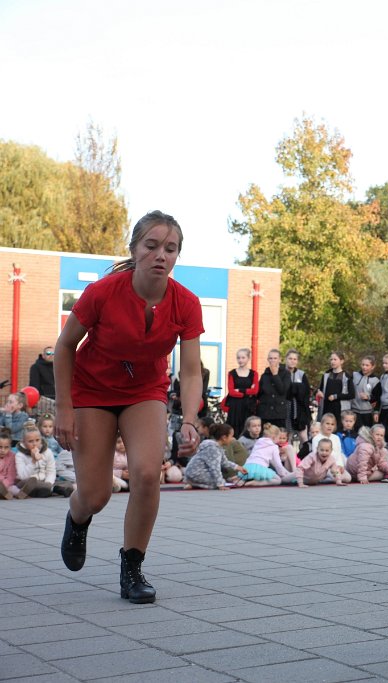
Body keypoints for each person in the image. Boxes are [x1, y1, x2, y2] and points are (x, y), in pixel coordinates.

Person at [53, 210, 203, 605]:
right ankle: (78, 517)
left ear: (176, 256)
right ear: (134, 250)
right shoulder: (103, 292)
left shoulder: (186, 303)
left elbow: (189, 372)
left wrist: (189, 420)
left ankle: (132, 568)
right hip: (93, 391)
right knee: (97, 494)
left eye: (170, 249)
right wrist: (64, 410)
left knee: (147, 473)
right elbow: (64, 346)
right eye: (151, 246)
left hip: (144, 392)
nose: (160, 255)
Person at [183, 423, 246, 490]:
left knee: (220, 479)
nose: (232, 438)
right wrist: (220, 485)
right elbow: (215, 468)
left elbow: (224, 462)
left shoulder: (218, 447)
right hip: (197, 473)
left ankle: (191, 483)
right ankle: (194, 483)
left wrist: (238, 467)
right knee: (219, 481)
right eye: (231, 436)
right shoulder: (213, 449)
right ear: (224, 438)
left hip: (192, 472)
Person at [224, 348, 259, 440]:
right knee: (234, 428)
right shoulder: (232, 373)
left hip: (248, 406)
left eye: (243, 358)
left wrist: (239, 390)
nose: (240, 360)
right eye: (238, 358)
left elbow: (255, 391)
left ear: (248, 358)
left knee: (247, 428)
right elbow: (231, 392)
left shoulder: (254, 374)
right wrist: (247, 391)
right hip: (235, 406)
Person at [14, 423, 55, 498]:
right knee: (30, 482)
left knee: (64, 484)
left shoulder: (47, 452)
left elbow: (51, 471)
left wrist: (49, 483)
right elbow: (22, 476)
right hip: (26, 481)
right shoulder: (20, 455)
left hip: (44, 481)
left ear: (41, 439)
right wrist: (33, 461)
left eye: (37, 440)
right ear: (23, 442)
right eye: (30, 441)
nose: (34, 444)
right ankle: (47, 491)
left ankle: (45, 490)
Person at [317, 351, 353, 426]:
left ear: (342, 361)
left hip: (340, 409)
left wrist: (336, 396)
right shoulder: (326, 375)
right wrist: (319, 392)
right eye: (331, 359)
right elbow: (320, 389)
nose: (332, 361)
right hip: (326, 408)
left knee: (338, 430)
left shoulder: (347, 376)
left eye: (335, 359)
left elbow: (351, 395)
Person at [284, 349, 312, 442]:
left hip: (299, 409)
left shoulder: (301, 374)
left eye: (295, 359)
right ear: (285, 359)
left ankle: (305, 455)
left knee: (303, 436)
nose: (292, 361)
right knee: (288, 436)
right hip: (286, 408)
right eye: (290, 358)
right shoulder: (281, 373)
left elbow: (307, 392)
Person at [257, 349, 289, 430]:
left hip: (279, 413)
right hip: (265, 412)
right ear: (268, 359)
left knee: (279, 437)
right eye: (270, 358)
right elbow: (259, 393)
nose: (273, 360)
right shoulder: (264, 375)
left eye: (275, 358)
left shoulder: (285, 373)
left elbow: (282, 390)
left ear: (279, 359)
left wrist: (275, 374)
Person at [352, 355, 379, 430]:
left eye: (367, 365)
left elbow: (377, 398)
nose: (364, 367)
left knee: (366, 434)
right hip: (354, 411)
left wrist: (368, 397)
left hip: (367, 413)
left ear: (372, 367)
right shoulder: (354, 375)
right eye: (363, 365)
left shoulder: (375, 380)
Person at [0, 428, 17, 500]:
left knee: (14, 489)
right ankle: (4, 494)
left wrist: (4, 485)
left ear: (10, 447)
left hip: (7, 484)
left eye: (6, 447)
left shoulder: (12, 456)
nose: (3, 450)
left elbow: (11, 475)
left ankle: (20, 494)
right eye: (0, 447)